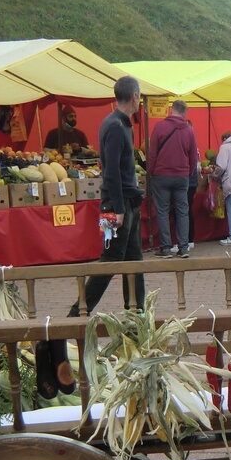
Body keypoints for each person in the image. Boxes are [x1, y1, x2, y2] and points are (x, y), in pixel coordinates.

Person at [72, 75, 145, 315]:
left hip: (128, 202)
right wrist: (119, 209)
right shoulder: (114, 126)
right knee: (110, 260)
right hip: (113, 205)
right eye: (140, 96)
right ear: (134, 96)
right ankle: (77, 313)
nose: (140, 100)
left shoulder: (123, 124)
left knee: (134, 260)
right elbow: (110, 171)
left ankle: (136, 312)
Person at [146, 99, 199, 258]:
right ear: (185, 112)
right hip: (181, 176)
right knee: (183, 211)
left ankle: (166, 248)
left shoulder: (160, 127)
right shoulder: (189, 130)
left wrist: (151, 172)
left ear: (171, 110)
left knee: (162, 211)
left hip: (161, 175)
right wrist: (187, 173)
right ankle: (183, 247)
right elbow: (192, 156)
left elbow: (152, 152)